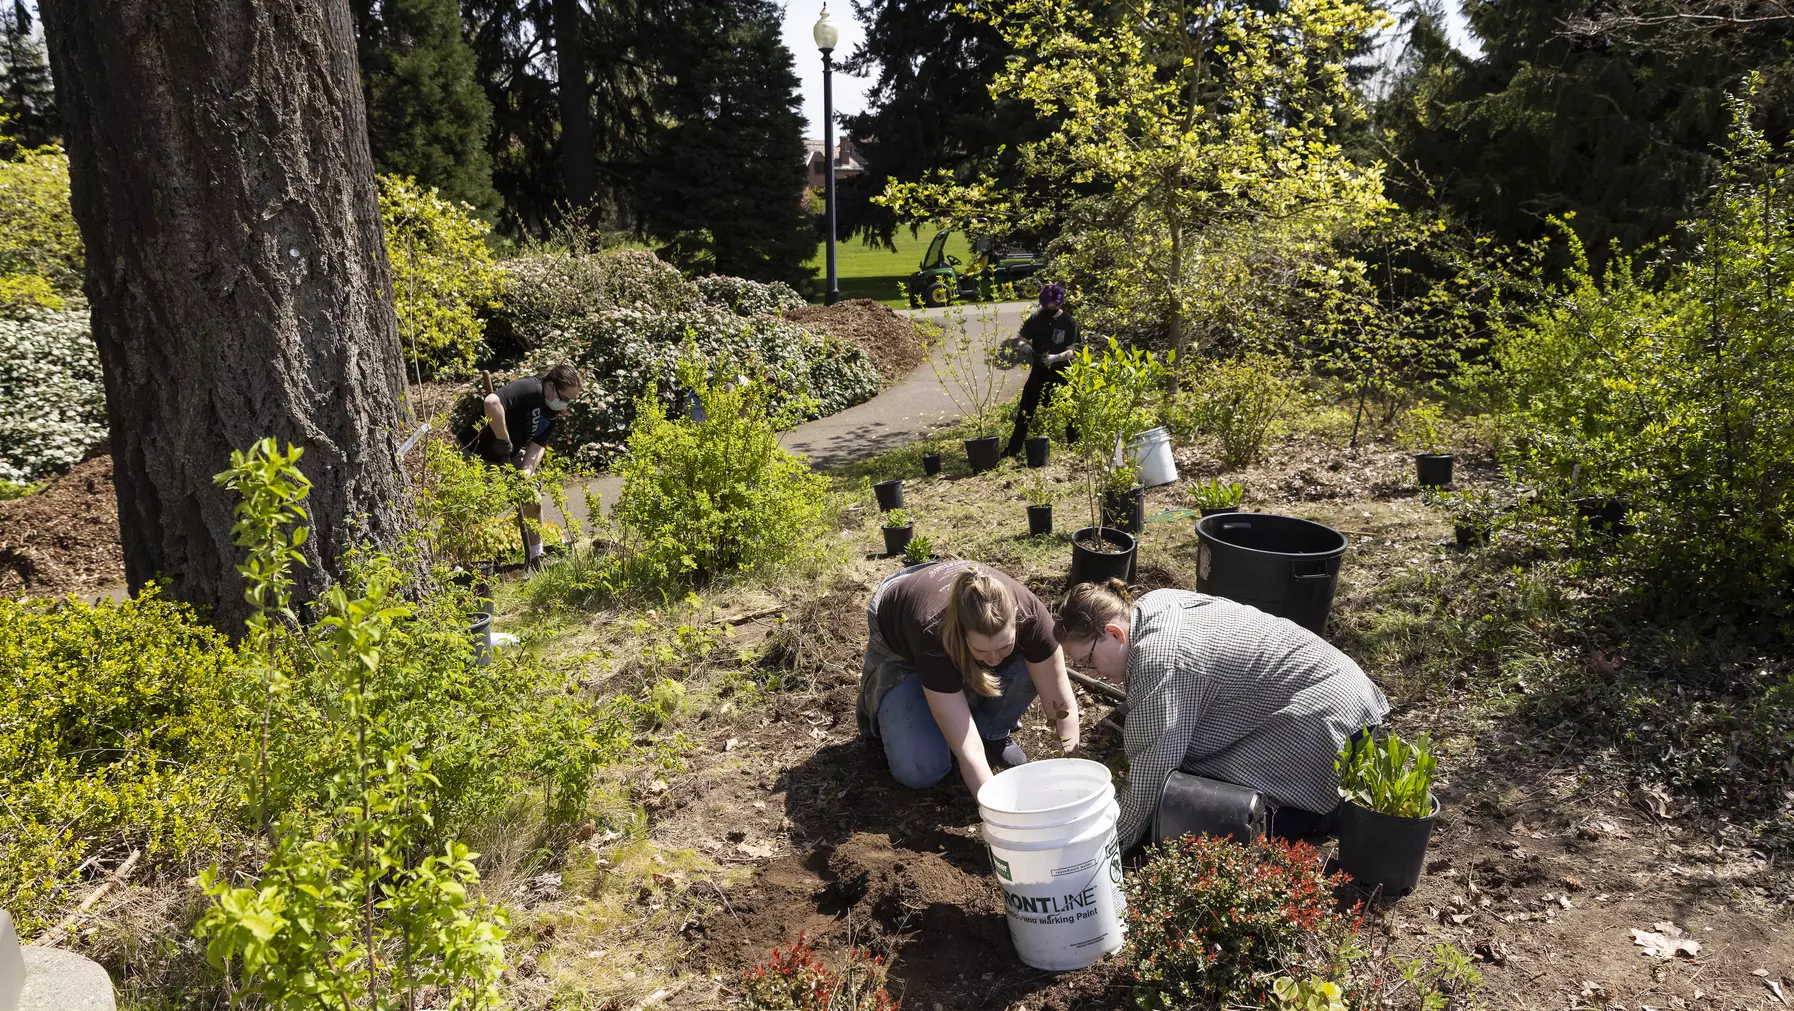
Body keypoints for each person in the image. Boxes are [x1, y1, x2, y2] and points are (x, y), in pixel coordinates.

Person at [1054, 580, 1390, 850]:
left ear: (1115, 634)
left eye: (1087, 661)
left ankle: (1326, 815)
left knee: (1215, 811)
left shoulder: (1159, 661)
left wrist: (1108, 846)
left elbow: (1150, 769)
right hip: (1348, 690)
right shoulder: (1153, 603)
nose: (1092, 673)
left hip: (1326, 719)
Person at [859, 561, 1081, 794]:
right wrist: (997, 812)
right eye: (982, 651)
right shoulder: (933, 636)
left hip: (947, 621)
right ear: (961, 633)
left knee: (1033, 670)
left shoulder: (1033, 617)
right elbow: (969, 752)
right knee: (921, 770)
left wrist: (1068, 775)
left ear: (1016, 619)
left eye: (1004, 646)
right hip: (901, 634)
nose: (995, 660)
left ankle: (991, 731)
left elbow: (1062, 707)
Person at [455, 363, 584, 567]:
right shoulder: (530, 389)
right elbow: (492, 401)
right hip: (473, 451)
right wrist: (503, 438)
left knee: (531, 497)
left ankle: (535, 557)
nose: (565, 404)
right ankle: (454, 563)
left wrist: (526, 472)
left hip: (508, 455)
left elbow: (537, 446)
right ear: (550, 386)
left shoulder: (551, 412)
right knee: (465, 508)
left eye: (570, 401)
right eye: (565, 398)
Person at [1002, 284, 1081, 458]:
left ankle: (1075, 449)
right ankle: (1012, 450)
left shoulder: (1068, 321)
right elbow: (1021, 338)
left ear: (1059, 304)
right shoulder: (1037, 318)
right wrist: (1024, 346)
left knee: (1070, 411)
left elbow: (1072, 350)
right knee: (1025, 410)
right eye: (1046, 306)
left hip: (1061, 372)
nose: (1048, 310)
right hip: (1039, 370)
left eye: (1052, 307)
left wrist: (1056, 357)